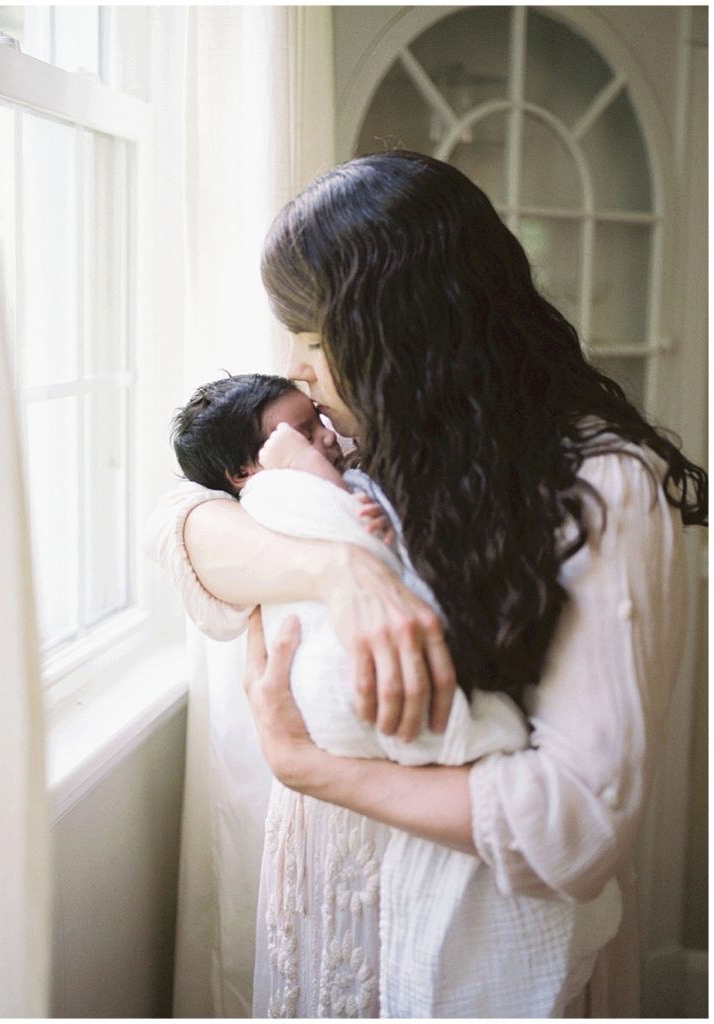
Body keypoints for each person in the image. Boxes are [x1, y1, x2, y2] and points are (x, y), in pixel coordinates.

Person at [145, 150, 707, 1016]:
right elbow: (179, 528)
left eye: (311, 333)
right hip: (332, 913)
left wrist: (308, 766)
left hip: (475, 931)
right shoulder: (378, 447)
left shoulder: (603, 486)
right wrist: (339, 571)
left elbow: (575, 825)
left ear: (394, 330)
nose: (297, 367)